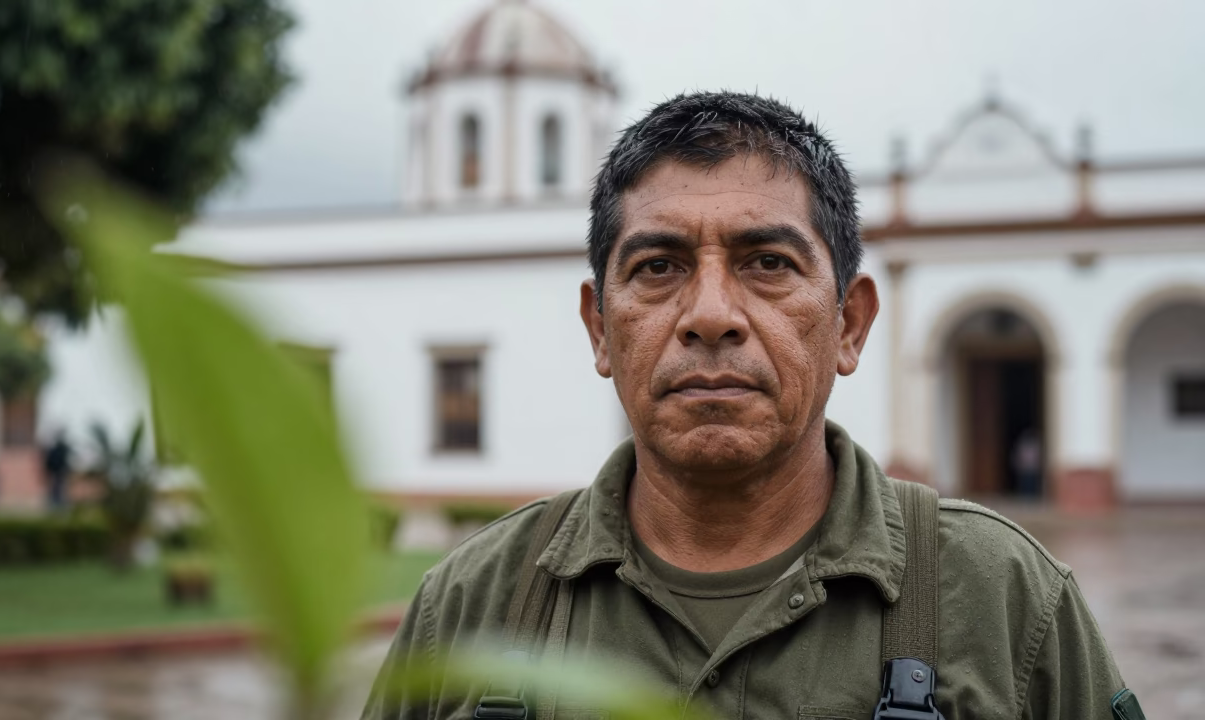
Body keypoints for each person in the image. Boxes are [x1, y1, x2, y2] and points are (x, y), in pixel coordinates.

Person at [363, 93, 1137, 720]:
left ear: (850, 323)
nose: (710, 314)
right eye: (659, 265)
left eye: (767, 263)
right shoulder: (471, 607)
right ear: (601, 328)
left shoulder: (1008, 602)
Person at [42, 431, 73, 512]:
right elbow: (49, 462)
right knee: (55, 491)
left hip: (60, 473)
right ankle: (55, 507)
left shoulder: (63, 449)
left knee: (61, 491)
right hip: (56, 473)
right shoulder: (55, 450)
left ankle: (60, 507)